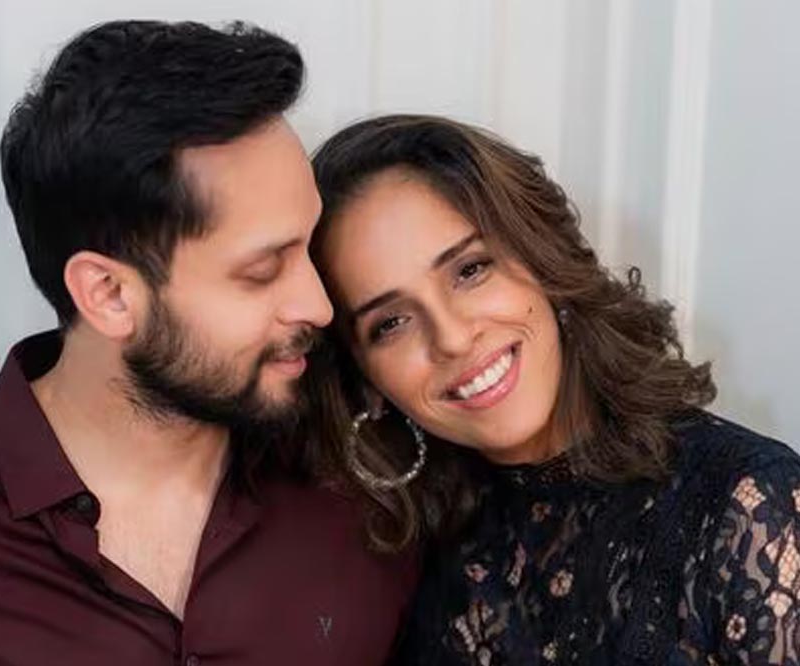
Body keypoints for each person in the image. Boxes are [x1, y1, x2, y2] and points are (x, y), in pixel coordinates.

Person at [0, 22, 416, 665]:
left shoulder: (373, 492)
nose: (318, 305)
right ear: (109, 294)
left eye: (310, 246)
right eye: (262, 271)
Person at [304, 114, 800, 664]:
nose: (452, 338)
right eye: (391, 323)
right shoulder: (411, 561)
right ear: (366, 381)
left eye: (470, 270)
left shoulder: (747, 505)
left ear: (542, 259)